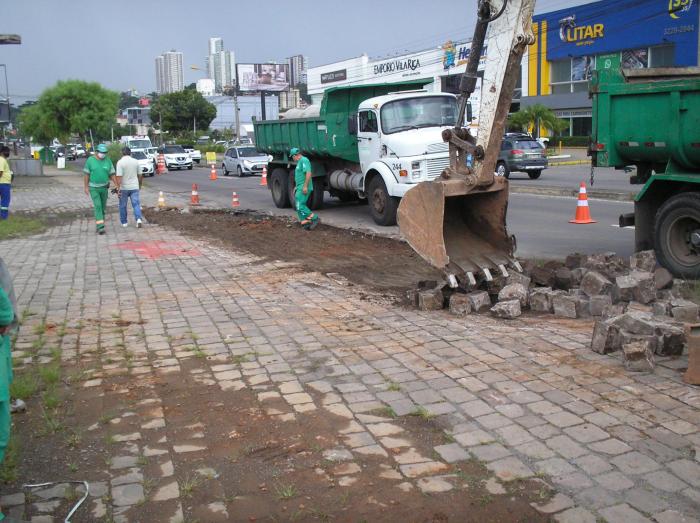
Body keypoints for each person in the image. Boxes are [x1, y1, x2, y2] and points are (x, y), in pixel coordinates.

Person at [83, 144, 116, 235]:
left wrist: (117, 185)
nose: (103, 154)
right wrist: (86, 187)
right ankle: (100, 227)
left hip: (104, 188)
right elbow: (86, 174)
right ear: (97, 152)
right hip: (93, 188)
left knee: (103, 207)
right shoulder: (90, 160)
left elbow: (112, 174)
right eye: (101, 152)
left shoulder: (108, 161)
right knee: (97, 205)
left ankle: (100, 222)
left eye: (104, 152)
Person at [290, 147, 319, 230]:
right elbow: (300, 176)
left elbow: (308, 173)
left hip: (304, 187)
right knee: (298, 204)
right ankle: (304, 223)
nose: (293, 158)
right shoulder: (299, 162)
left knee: (300, 206)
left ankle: (314, 218)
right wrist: (297, 186)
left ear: (296, 155)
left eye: (292, 157)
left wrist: (305, 186)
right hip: (300, 187)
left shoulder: (304, 160)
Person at [115, 147, 143, 228]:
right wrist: (140, 185)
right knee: (136, 204)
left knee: (123, 205)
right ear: (130, 153)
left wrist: (118, 188)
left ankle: (124, 222)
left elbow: (119, 177)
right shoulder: (135, 161)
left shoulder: (120, 163)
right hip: (134, 187)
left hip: (124, 188)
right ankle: (138, 219)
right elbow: (140, 175)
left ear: (122, 153)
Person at [0, 146, 13, 220]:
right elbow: (0, 172)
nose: (8, 153)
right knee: (5, 200)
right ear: (2, 152)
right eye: (7, 152)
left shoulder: (2, 160)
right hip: (3, 184)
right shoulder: (1, 160)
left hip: (4, 183)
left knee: (3, 200)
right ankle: (3, 217)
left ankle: (2, 215)